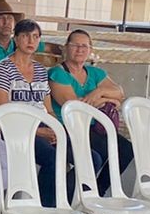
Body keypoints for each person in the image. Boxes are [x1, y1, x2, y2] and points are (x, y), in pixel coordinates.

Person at [0, 18, 80, 207]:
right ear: (16, 39)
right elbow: (2, 113)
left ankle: (66, 201)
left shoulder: (39, 70)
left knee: (89, 156)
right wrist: (39, 132)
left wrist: (55, 128)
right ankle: (45, 207)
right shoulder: (2, 69)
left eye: (36, 36)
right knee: (53, 159)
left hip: (43, 125)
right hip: (15, 131)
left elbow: (47, 108)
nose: (31, 41)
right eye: (25, 36)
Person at [50, 28, 134, 194]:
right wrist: (106, 99)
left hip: (95, 126)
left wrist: (98, 93)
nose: (80, 49)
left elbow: (119, 92)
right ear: (66, 48)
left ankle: (99, 191)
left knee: (126, 150)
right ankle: (72, 192)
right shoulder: (57, 73)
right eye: (75, 45)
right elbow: (74, 108)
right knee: (102, 151)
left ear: (90, 50)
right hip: (69, 127)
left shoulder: (95, 72)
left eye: (84, 46)